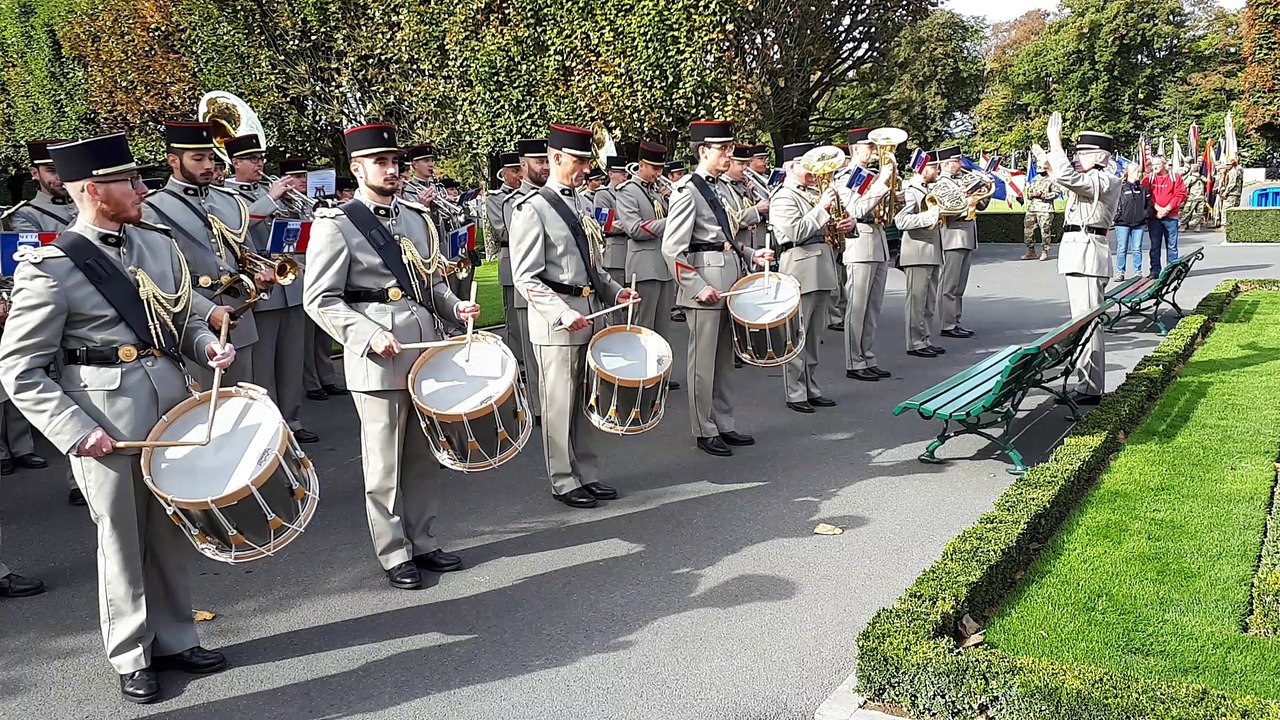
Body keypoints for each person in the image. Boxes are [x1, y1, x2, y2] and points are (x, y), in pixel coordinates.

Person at [0, 132, 237, 703]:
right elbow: (19, 369)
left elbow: (177, 318)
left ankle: (178, 636)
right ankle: (132, 652)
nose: (140, 189)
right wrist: (76, 432)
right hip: (103, 416)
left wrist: (206, 345)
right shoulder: (50, 267)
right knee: (122, 538)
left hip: (168, 405)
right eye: (127, 181)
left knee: (172, 528)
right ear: (92, 191)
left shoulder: (155, 243)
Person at [303, 123, 479, 590]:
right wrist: (366, 334)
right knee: (383, 463)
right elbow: (320, 299)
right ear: (357, 168)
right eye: (380, 162)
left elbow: (430, 283)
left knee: (424, 455)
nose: (392, 169)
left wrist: (453, 304)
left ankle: (424, 539)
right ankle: (394, 551)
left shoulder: (418, 219)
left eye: (395, 162)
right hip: (378, 356)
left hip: (422, 350)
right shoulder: (336, 224)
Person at [509, 123, 639, 508]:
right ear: (556, 158)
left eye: (587, 160)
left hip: (589, 312)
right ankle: (563, 478)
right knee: (559, 404)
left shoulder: (581, 204)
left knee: (586, 401)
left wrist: (616, 291)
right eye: (579, 161)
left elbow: (591, 266)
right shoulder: (531, 209)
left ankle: (587, 472)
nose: (586, 168)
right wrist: (561, 313)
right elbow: (525, 277)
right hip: (558, 321)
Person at [661, 120, 773, 457]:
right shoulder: (687, 191)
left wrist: (753, 254)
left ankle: (724, 422)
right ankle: (703, 428)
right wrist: (696, 286)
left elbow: (728, 238)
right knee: (702, 362)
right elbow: (672, 249)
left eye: (729, 147)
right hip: (705, 283)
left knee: (725, 359)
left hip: (730, 280)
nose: (729, 153)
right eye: (722, 149)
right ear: (703, 151)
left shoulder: (721, 188)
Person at [141, 120, 259, 390]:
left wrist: (259, 276)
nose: (208, 165)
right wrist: (207, 312)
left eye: (210, 157)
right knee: (202, 413)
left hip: (239, 319)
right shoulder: (153, 209)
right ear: (173, 160)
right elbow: (157, 281)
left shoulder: (230, 201)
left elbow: (245, 254)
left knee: (242, 406)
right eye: (197, 158)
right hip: (190, 323)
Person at [225, 139, 320, 443]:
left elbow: (299, 231)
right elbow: (235, 229)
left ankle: (292, 421)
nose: (259, 164)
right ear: (234, 164)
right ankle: (268, 423)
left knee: (291, 362)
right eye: (251, 159)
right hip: (261, 290)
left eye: (261, 158)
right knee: (263, 366)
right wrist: (269, 198)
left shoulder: (280, 194)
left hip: (290, 288)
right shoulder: (227, 195)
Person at [1033, 114, 1120, 405]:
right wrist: (1048, 161)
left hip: (1088, 253)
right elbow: (1062, 181)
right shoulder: (1091, 177)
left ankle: (1091, 388)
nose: (1076, 156)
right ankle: (1085, 384)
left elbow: (1071, 179)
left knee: (1088, 322)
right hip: (1079, 252)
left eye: (1082, 152)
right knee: (1080, 322)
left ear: (1099, 155)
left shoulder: (1105, 178)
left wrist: (1055, 144)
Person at [771, 142, 848, 413]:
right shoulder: (783, 196)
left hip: (824, 266)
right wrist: (822, 209)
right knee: (796, 335)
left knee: (815, 335)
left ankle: (811, 386)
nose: (815, 170)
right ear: (791, 167)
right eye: (808, 164)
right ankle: (795, 392)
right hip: (800, 267)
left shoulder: (817, 193)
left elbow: (835, 230)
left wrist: (847, 226)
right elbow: (794, 231)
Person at [616, 141, 677, 365]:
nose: (658, 174)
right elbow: (634, 228)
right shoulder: (628, 191)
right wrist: (671, 222)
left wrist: (672, 199)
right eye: (654, 168)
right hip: (644, 269)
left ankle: (660, 369)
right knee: (644, 327)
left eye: (661, 169)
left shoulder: (657, 192)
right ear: (641, 165)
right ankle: (642, 369)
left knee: (663, 327)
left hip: (664, 267)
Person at [840, 128, 893, 382]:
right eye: (869, 147)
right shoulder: (848, 176)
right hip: (859, 242)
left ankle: (867, 356)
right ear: (856, 149)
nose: (874, 151)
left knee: (873, 307)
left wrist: (896, 194)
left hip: (877, 240)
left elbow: (883, 207)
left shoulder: (870, 175)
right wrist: (882, 183)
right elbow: (856, 208)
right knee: (857, 306)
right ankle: (853, 360)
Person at [503, 138, 550, 421]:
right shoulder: (516, 203)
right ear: (523, 166)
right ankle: (537, 407)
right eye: (538, 162)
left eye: (546, 161)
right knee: (533, 357)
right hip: (529, 286)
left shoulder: (555, 198)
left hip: (557, 288)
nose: (544, 167)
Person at [894, 150, 946, 358]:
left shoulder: (929, 188)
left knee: (929, 300)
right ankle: (914, 342)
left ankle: (924, 338)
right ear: (923, 168)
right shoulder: (910, 190)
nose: (938, 170)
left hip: (931, 249)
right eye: (934, 166)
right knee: (916, 301)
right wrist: (928, 217)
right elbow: (901, 221)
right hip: (916, 250)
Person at [935, 145, 984, 339]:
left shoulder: (960, 181)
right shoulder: (941, 183)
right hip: (952, 236)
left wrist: (980, 193)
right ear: (946, 164)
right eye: (957, 161)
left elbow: (979, 204)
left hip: (966, 236)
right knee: (949, 284)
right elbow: (946, 208)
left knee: (960, 285)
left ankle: (955, 320)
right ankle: (947, 323)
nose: (961, 165)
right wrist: (967, 203)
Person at [488, 151, 525, 352]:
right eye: (515, 171)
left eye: (521, 169)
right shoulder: (496, 199)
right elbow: (503, 232)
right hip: (511, 258)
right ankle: (519, 362)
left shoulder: (530, 194)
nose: (520, 175)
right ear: (503, 174)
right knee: (514, 316)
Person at [3, 140, 78, 233]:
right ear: (35, 173)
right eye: (52, 170)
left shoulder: (92, 205)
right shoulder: (24, 214)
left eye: (66, 169)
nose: (61, 176)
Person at [1141, 155, 1186, 278]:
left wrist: (1167, 208)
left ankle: (1172, 270)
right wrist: (1157, 208)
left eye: (1157, 164)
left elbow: (1180, 194)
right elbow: (1146, 196)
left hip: (1171, 216)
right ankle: (1155, 270)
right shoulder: (1148, 179)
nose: (1154, 167)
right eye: (1153, 164)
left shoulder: (1175, 178)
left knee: (1172, 245)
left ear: (1164, 164)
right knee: (1155, 246)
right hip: (1154, 218)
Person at [594, 155, 629, 287]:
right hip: (616, 253)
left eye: (625, 173)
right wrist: (633, 224)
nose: (625, 177)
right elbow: (607, 225)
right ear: (610, 174)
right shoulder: (603, 194)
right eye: (621, 173)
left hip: (632, 252)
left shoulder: (629, 194)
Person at [1113, 163, 1151, 282]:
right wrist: (1117, 217)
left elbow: (1149, 204)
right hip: (1122, 223)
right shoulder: (1120, 188)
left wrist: (1145, 215)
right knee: (1122, 248)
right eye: (1135, 171)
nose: (1138, 174)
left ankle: (1137, 271)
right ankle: (1120, 272)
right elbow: (1114, 204)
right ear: (1128, 172)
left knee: (1136, 248)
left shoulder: (1143, 189)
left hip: (1139, 224)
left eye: (1139, 172)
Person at [1022, 160, 1058, 260]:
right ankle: (1030, 251)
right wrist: (1032, 194)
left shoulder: (1052, 179)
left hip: (1046, 208)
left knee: (1045, 231)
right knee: (1028, 231)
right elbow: (1028, 194)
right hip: (1033, 208)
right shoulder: (1034, 179)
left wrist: (1044, 195)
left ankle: (1045, 251)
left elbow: (1056, 193)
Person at [1179, 163, 1206, 232]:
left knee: (1187, 211)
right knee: (1200, 212)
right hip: (1201, 197)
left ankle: (1183, 226)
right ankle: (1198, 227)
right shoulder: (1203, 178)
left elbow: (1185, 186)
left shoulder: (1190, 178)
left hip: (1192, 197)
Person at [1222, 159, 1244, 225]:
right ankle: (1233, 224)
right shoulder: (1235, 171)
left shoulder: (1233, 172)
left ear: (1232, 165)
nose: (1227, 166)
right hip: (1235, 193)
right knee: (1233, 210)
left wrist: (1225, 193)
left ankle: (1226, 224)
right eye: (1226, 165)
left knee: (1227, 209)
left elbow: (1232, 183)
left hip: (1232, 193)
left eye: (1228, 164)